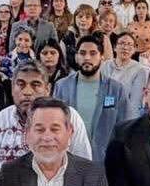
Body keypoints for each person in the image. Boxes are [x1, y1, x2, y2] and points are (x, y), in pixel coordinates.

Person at [0, 63, 92, 174]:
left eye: (35, 85)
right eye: (21, 84)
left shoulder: (70, 118)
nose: (27, 92)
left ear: (48, 89)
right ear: (12, 89)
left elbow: (83, 168)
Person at [53, 35, 131, 163]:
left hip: (105, 163)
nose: (87, 58)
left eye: (93, 53)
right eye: (82, 53)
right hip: (69, 161)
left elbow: (125, 128)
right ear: (76, 57)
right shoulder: (61, 86)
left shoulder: (116, 89)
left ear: (102, 56)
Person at [105, 31, 149, 115]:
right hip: (104, 113)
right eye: (122, 43)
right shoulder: (105, 65)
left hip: (125, 115)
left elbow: (134, 103)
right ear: (115, 47)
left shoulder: (139, 70)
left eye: (129, 45)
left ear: (134, 50)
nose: (125, 47)